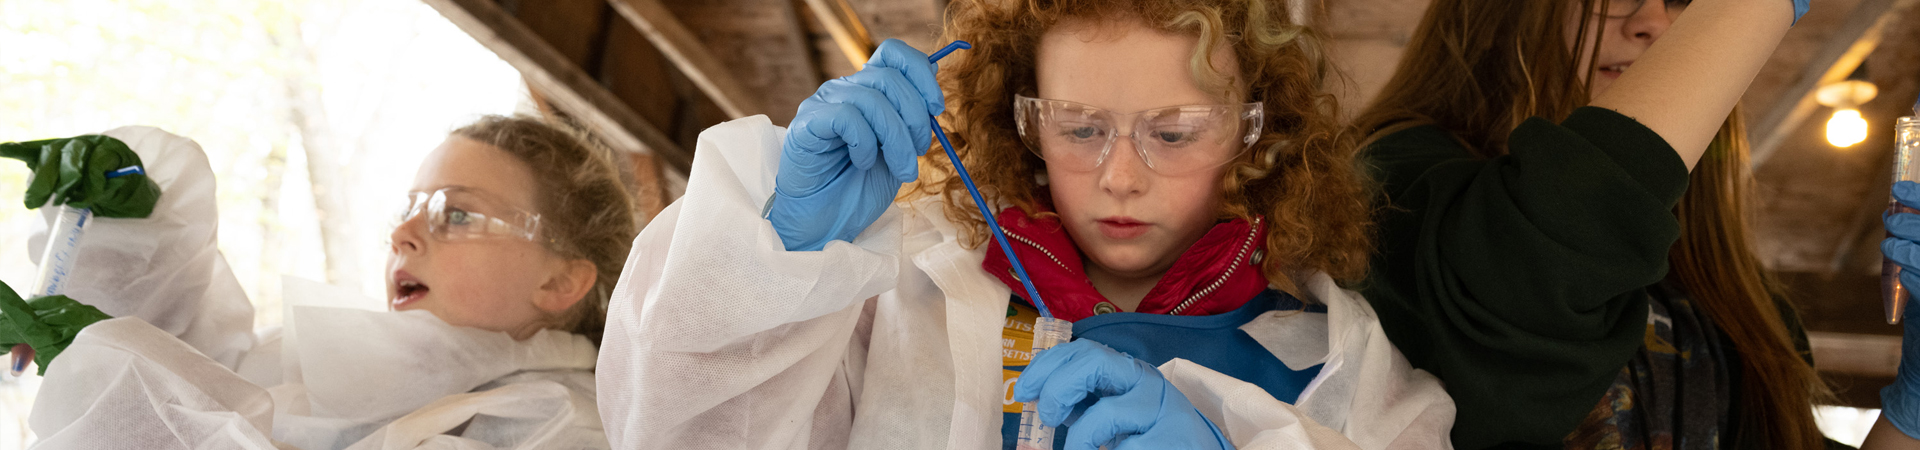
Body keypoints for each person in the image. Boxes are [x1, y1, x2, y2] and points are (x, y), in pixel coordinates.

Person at [594, 0, 1453, 449]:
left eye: (1175, 132)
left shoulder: (1339, 363)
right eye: (1080, 128)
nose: (1120, 175)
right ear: (1024, 126)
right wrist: (778, 252)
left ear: (1253, 134)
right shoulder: (900, 305)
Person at [1350, 0, 1827, 448]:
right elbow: (1531, 281)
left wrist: (1902, 417)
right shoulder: (1395, 182)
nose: (1656, 23)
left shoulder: (1744, 298)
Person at [13, 115, 638, 449]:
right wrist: (128, 236)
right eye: (410, 208)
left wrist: (135, 392)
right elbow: (213, 372)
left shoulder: (563, 428)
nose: (405, 235)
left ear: (562, 281)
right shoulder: (339, 376)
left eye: (457, 213)